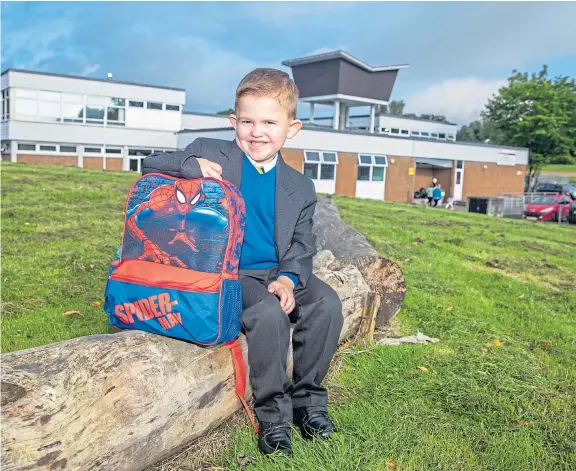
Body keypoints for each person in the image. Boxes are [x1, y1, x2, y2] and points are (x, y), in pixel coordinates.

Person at [142, 68, 344, 458]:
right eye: (247, 121)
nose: (257, 132)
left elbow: (303, 242)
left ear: (293, 127)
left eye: (270, 122)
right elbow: (150, 164)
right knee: (268, 314)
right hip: (230, 271)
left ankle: (309, 402)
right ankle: (274, 417)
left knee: (327, 303)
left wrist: (288, 278)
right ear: (233, 122)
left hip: (276, 269)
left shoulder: (299, 186)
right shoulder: (212, 152)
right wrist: (189, 168)